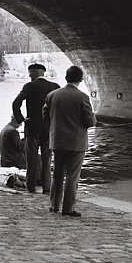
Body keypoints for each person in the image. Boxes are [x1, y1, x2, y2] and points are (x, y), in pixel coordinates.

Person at [42, 65, 97, 217]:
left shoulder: (52, 95)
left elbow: (45, 115)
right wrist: (94, 118)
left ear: (66, 78)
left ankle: (54, 205)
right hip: (76, 143)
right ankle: (68, 208)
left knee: (57, 174)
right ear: (81, 79)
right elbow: (89, 121)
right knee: (72, 176)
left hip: (58, 140)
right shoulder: (82, 97)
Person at [12, 63, 60, 194]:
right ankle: (47, 187)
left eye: (30, 73)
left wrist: (21, 119)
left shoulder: (29, 86)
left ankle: (31, 187)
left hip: (32, 127)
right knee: (47, 159)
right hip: (49, 128)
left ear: (34, 72)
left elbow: (16, 103)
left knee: (31, 159)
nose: (29, 75)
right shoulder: (54, 87)